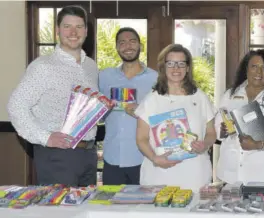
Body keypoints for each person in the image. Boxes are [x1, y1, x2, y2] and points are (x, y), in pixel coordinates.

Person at [7, 6, 99, 186]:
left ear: (86, 31)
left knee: (86, 211)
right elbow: (16, 106)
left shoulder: (91, 66)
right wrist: (45, 137)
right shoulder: (43, 66)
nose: (73, 32)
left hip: (88, 154)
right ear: (57, 30)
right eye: (67, 26)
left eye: (79, 27)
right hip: (57, 156)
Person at [134, 44, 216, 192]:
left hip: (195, 175)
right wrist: (154, 158)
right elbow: (141, 139)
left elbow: (211, 133)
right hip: (158, 175)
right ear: (163, 67)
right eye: (170, 63)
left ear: (188, 68)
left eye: (181, 64)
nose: (176, 68)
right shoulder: (152, 99)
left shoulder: (200, 97)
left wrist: (205, 144)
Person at [215, 50, 264, 184]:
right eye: (254, 67)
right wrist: (222, 131)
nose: (258, 73)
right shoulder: (230, 95)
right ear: (246, 69)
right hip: (231, 173)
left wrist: (257, 145)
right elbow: (217, 129)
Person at [98, 27, 158, 185]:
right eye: (122, 42)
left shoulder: (156, 79)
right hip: (112, 157)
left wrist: (142, 111)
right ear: (117, 47)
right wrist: (103, 108)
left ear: (140, 46)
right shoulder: (104, 77)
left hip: (145, 158)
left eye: (132, 41)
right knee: (112, 207)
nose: (128, 46)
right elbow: (97, 115)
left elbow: (162, 117)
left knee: (143, 208)